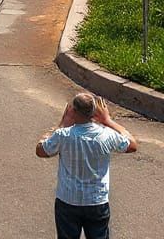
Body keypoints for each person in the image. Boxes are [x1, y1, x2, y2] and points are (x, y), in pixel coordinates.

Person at [37, 92, 137, 239]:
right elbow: (132, 145)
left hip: (67, 201)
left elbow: (41, 150)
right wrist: (108, 120)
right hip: (97, 201)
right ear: (95, 111)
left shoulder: (63, 135)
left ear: (74, 111)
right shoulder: (107, 135)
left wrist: (63, 123)